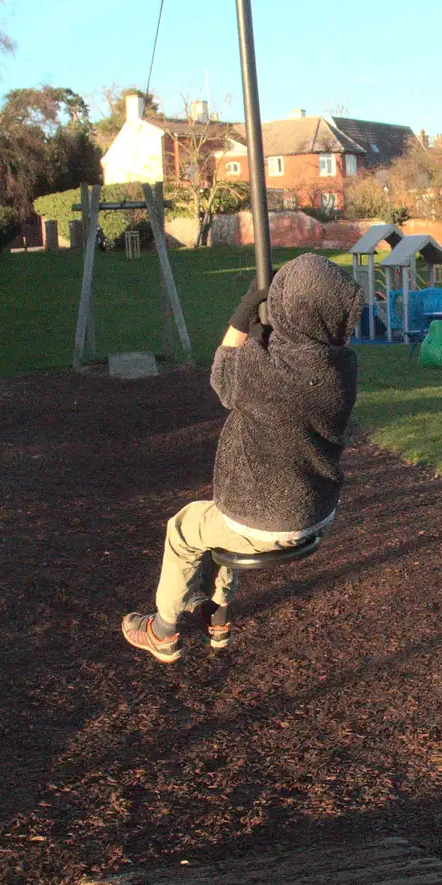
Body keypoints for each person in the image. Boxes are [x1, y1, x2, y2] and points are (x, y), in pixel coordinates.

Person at [121, 253, 361, 662]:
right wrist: (271, 332)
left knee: (182, 529)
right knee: (223, 518)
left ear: (288, 309)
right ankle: (217, 617)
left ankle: (161, 631)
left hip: (265, 517)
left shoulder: (263, 373)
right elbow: (297, 356)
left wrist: (243, 314)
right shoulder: (342, 367)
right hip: (317, 509)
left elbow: (221, 374)